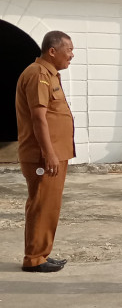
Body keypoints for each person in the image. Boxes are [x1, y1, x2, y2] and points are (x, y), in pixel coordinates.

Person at [16, 30, 75, 273]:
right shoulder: (39, 74)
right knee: (41, 204)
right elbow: (39, 118)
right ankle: (34, 258)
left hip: (54, 153)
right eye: (69, 50)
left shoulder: (49, 74)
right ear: (53, 51)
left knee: (49, 205)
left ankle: (41, 253)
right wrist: (49, 153)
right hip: (44, 155)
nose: (72, 56)